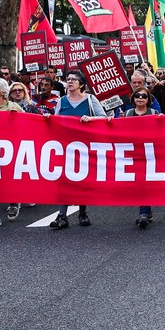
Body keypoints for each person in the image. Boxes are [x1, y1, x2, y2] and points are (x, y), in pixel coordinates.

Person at [49, 71, 106, 229]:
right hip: (66, 145)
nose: (70, 82)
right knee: (64, 180)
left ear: (81, 84)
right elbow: (56, 120)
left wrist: (91, 119)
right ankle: (62, 215)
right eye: (68, 79)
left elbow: (104, 117)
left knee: (82, 179)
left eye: (74, 80)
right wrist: (48, 120)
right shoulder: (61, 101)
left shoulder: (90, 99)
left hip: (84, 146)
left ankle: (82, 212)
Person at [123, 87, 161, 228]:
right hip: (131, 153)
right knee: (139, 183)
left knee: (145, 182)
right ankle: (146, 211)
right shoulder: (127, 114)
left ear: (148, 99)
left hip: (149, 154)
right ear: (133, 98)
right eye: (137, 95)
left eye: (144, 96)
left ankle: (144, 212)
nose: (140, 98)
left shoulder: (154, 113)